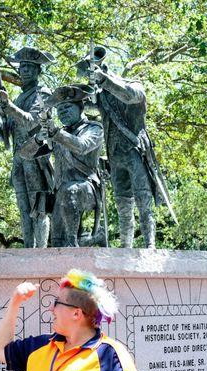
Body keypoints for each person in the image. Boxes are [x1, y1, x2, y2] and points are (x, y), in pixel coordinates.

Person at [0, 269, 141, 371]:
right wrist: (15, 301)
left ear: (76, 313)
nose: (51, 308)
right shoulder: (40, 346)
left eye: (57, 302)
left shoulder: (112, 356)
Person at [77, 47, 158, 248]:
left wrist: (104, 80)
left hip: (135, 149)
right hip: (115, 155)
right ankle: (125, 246)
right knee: (123, 203)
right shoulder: (100, 95)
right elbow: (79, 104)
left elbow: (131, 96)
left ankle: (150, 246)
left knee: (143, 200)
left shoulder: (132, 84)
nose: (89, 74)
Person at [19, 84, 105, 247]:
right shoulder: (57, 134)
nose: (63, 112)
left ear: (80, 108)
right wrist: (38, 139)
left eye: (67, 107)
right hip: (62, 193)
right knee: (57, 241)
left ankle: (74, 245)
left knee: (69, 191)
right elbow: (25, 154)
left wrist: (56, 133)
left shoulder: (94, 128)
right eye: (59, 109)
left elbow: (81, 146)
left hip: (88, 189)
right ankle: (93, 238)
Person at [0, 47, 54, 248]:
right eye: (22, 67)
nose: (25, 70)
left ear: (38, 71)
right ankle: (28, 247)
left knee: (39, 206)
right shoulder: (19, 98)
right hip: (18, 158)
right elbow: (5, 134)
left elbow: (32, 122)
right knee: (23, 206)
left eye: (30, 67)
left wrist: (9, 106)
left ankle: (40, 249)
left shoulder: (42, 93)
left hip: (35, 155)